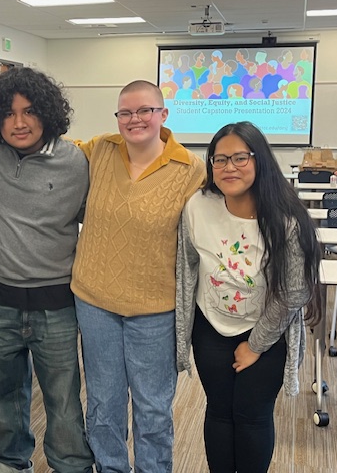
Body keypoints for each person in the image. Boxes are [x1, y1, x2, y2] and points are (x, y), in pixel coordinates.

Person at [72, 80, 205, 473]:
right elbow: (49, 151)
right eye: (126, 112)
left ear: (163, 115)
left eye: (145, 110)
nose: (135, 119)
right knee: (103, 402)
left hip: (156, 307)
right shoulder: (100, 150)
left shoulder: (190, 168)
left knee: (152, 408)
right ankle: (110, 468)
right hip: (95, 301)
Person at [176, 121, 322, 473]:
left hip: (267, 334)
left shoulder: (286, 217)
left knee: (252, 415)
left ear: (260, 161)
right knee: (220, 413)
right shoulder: (198, 206)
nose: (229, 167)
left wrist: (256, 345)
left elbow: (294, 291)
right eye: (219, 159)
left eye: (240, 158)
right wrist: (182, 334)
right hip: (211, 328)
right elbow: (186, 268)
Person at [0, 67, 93, 473]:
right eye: (8, 113)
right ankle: (9, 462)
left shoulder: (75, 161)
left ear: (47, 113)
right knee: (2, 395)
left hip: (56, 304)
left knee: (63, 399)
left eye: (28, 112)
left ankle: (71, 465)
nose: (19, 123)